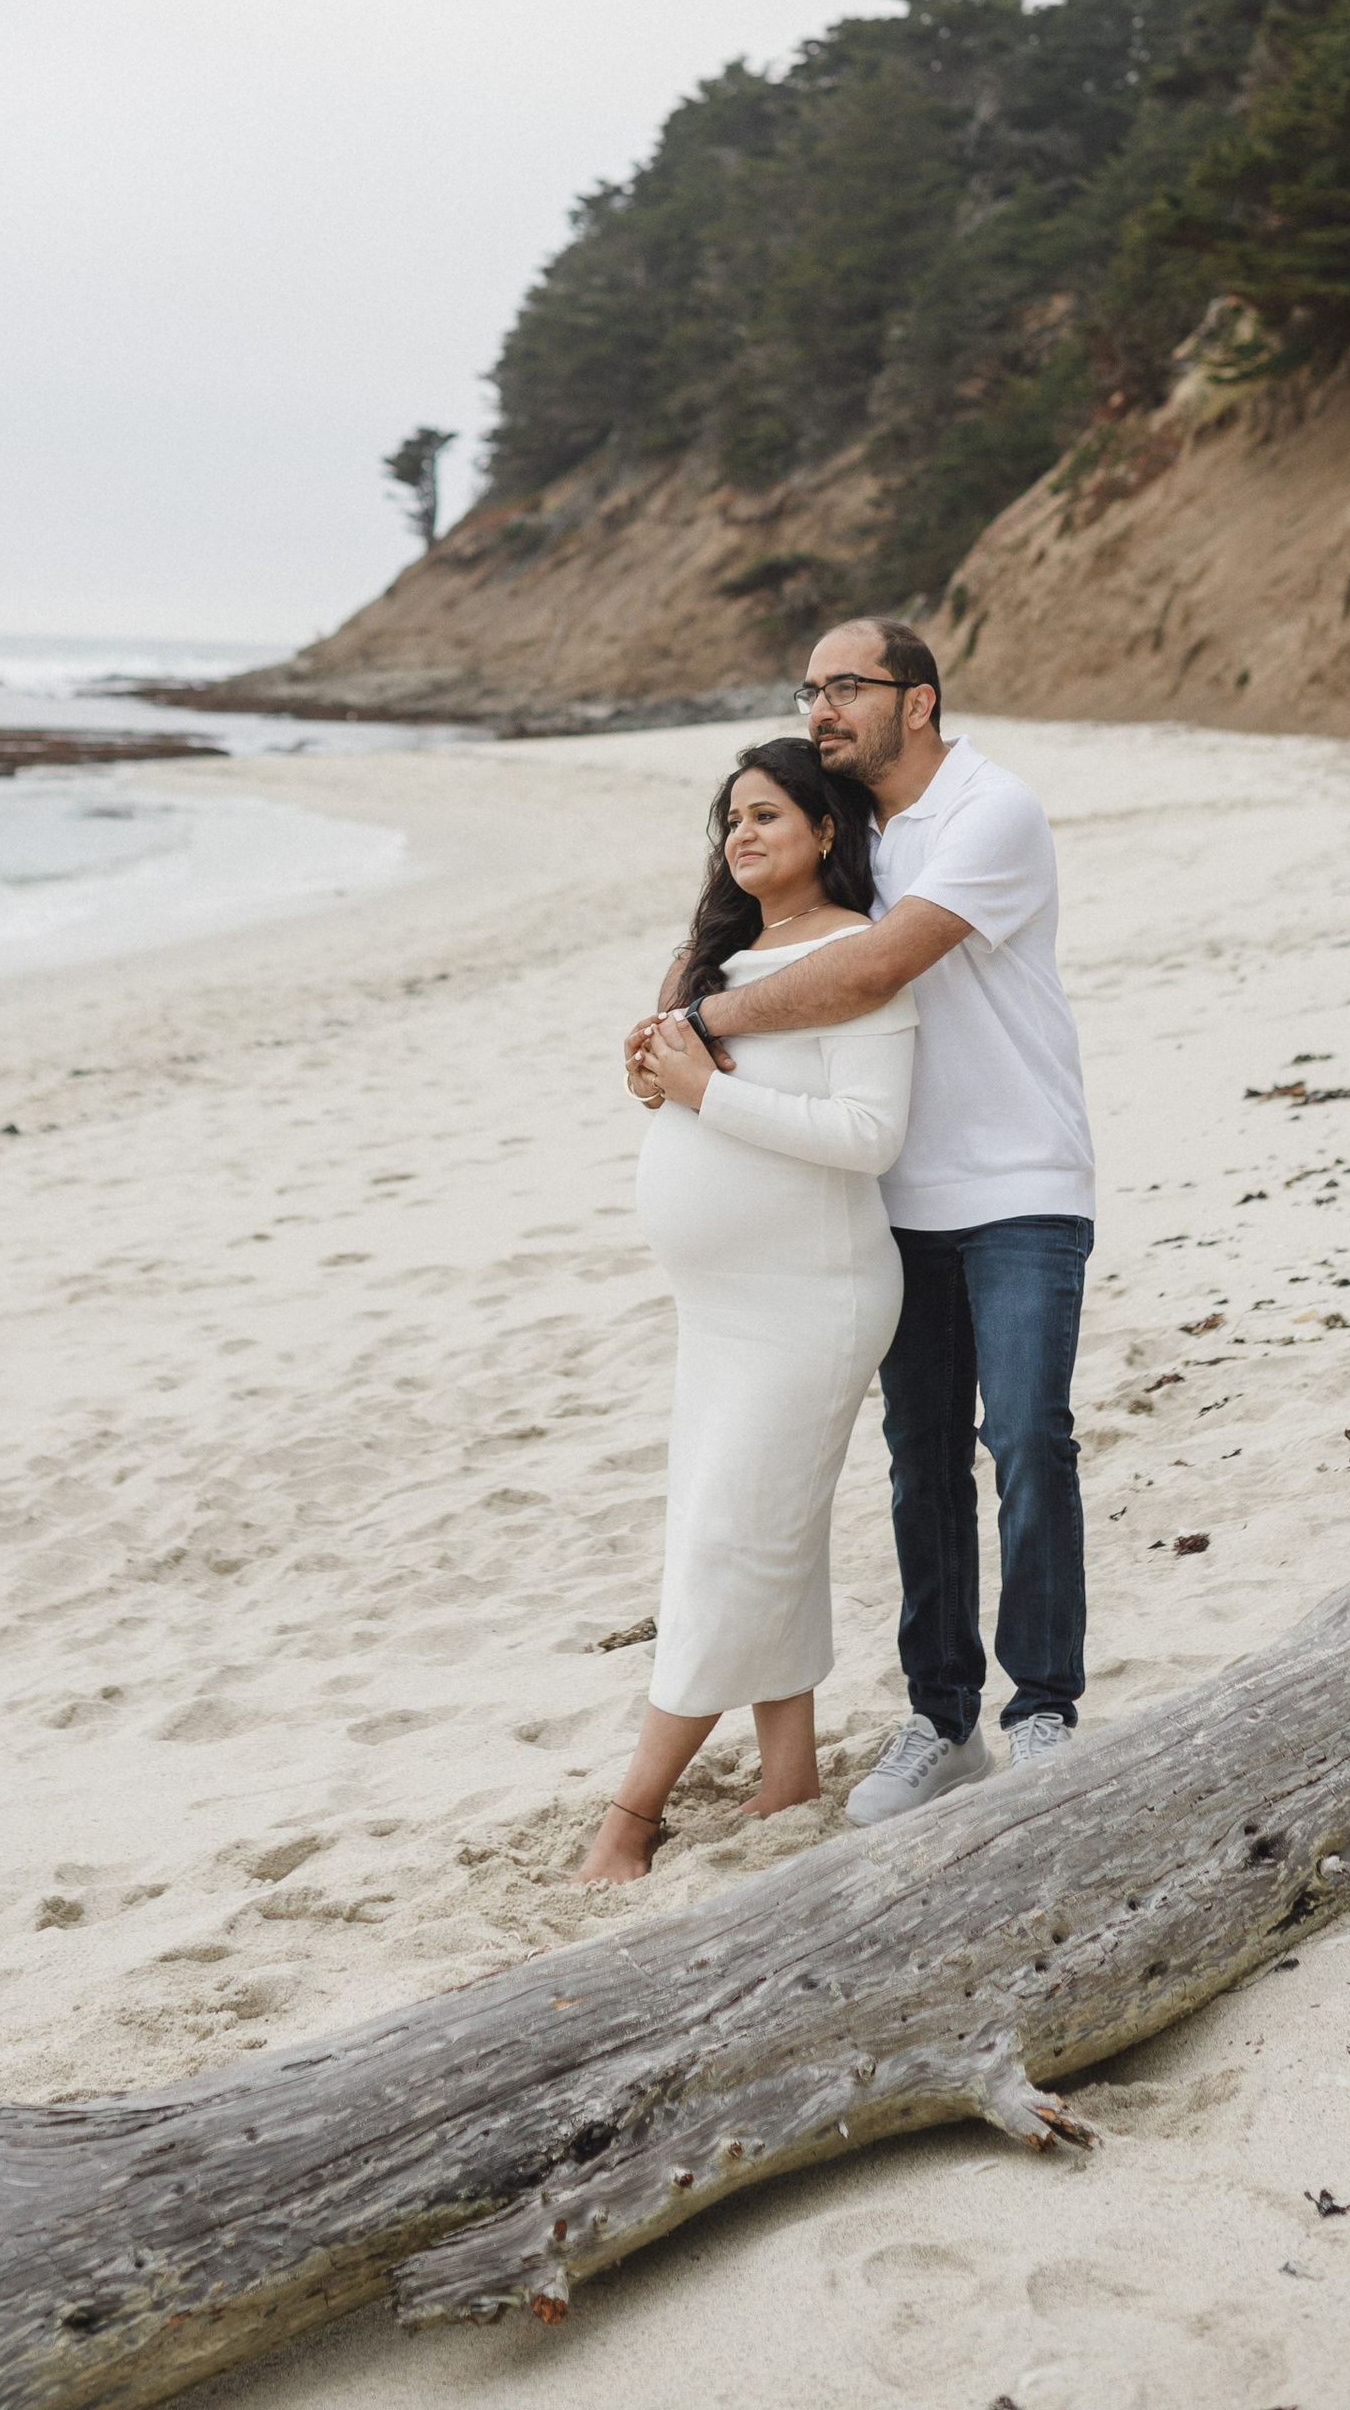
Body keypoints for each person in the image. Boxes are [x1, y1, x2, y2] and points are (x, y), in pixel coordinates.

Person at [624, 619, 1093, 1823]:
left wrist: (703, 1044)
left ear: (918, 701)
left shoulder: (992, 811)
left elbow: (874, 970)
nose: (822, 707)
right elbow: (754, 911)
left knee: (1027, 1437)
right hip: (891, 1210)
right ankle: (942, 1721)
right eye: (812, 689)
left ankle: (1042, 1709)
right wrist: (674, 1006)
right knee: (918, 1463)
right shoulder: (856, 833)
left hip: (1017, 1181)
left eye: (846, 688)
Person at [578, 737, 917, 1886]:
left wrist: (705, 1093)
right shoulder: (719, 958)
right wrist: (654, 1078)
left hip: (812, 1299)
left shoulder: (861, 957)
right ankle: (788, 1779)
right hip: (720, 1304)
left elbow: (872, 1139)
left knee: (730, 1540)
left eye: (769, 813)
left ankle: (630, 1816)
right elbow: (687, 1100)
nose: (744, 835)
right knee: (758, 1531)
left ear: (827, 830)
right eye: (731, 820)